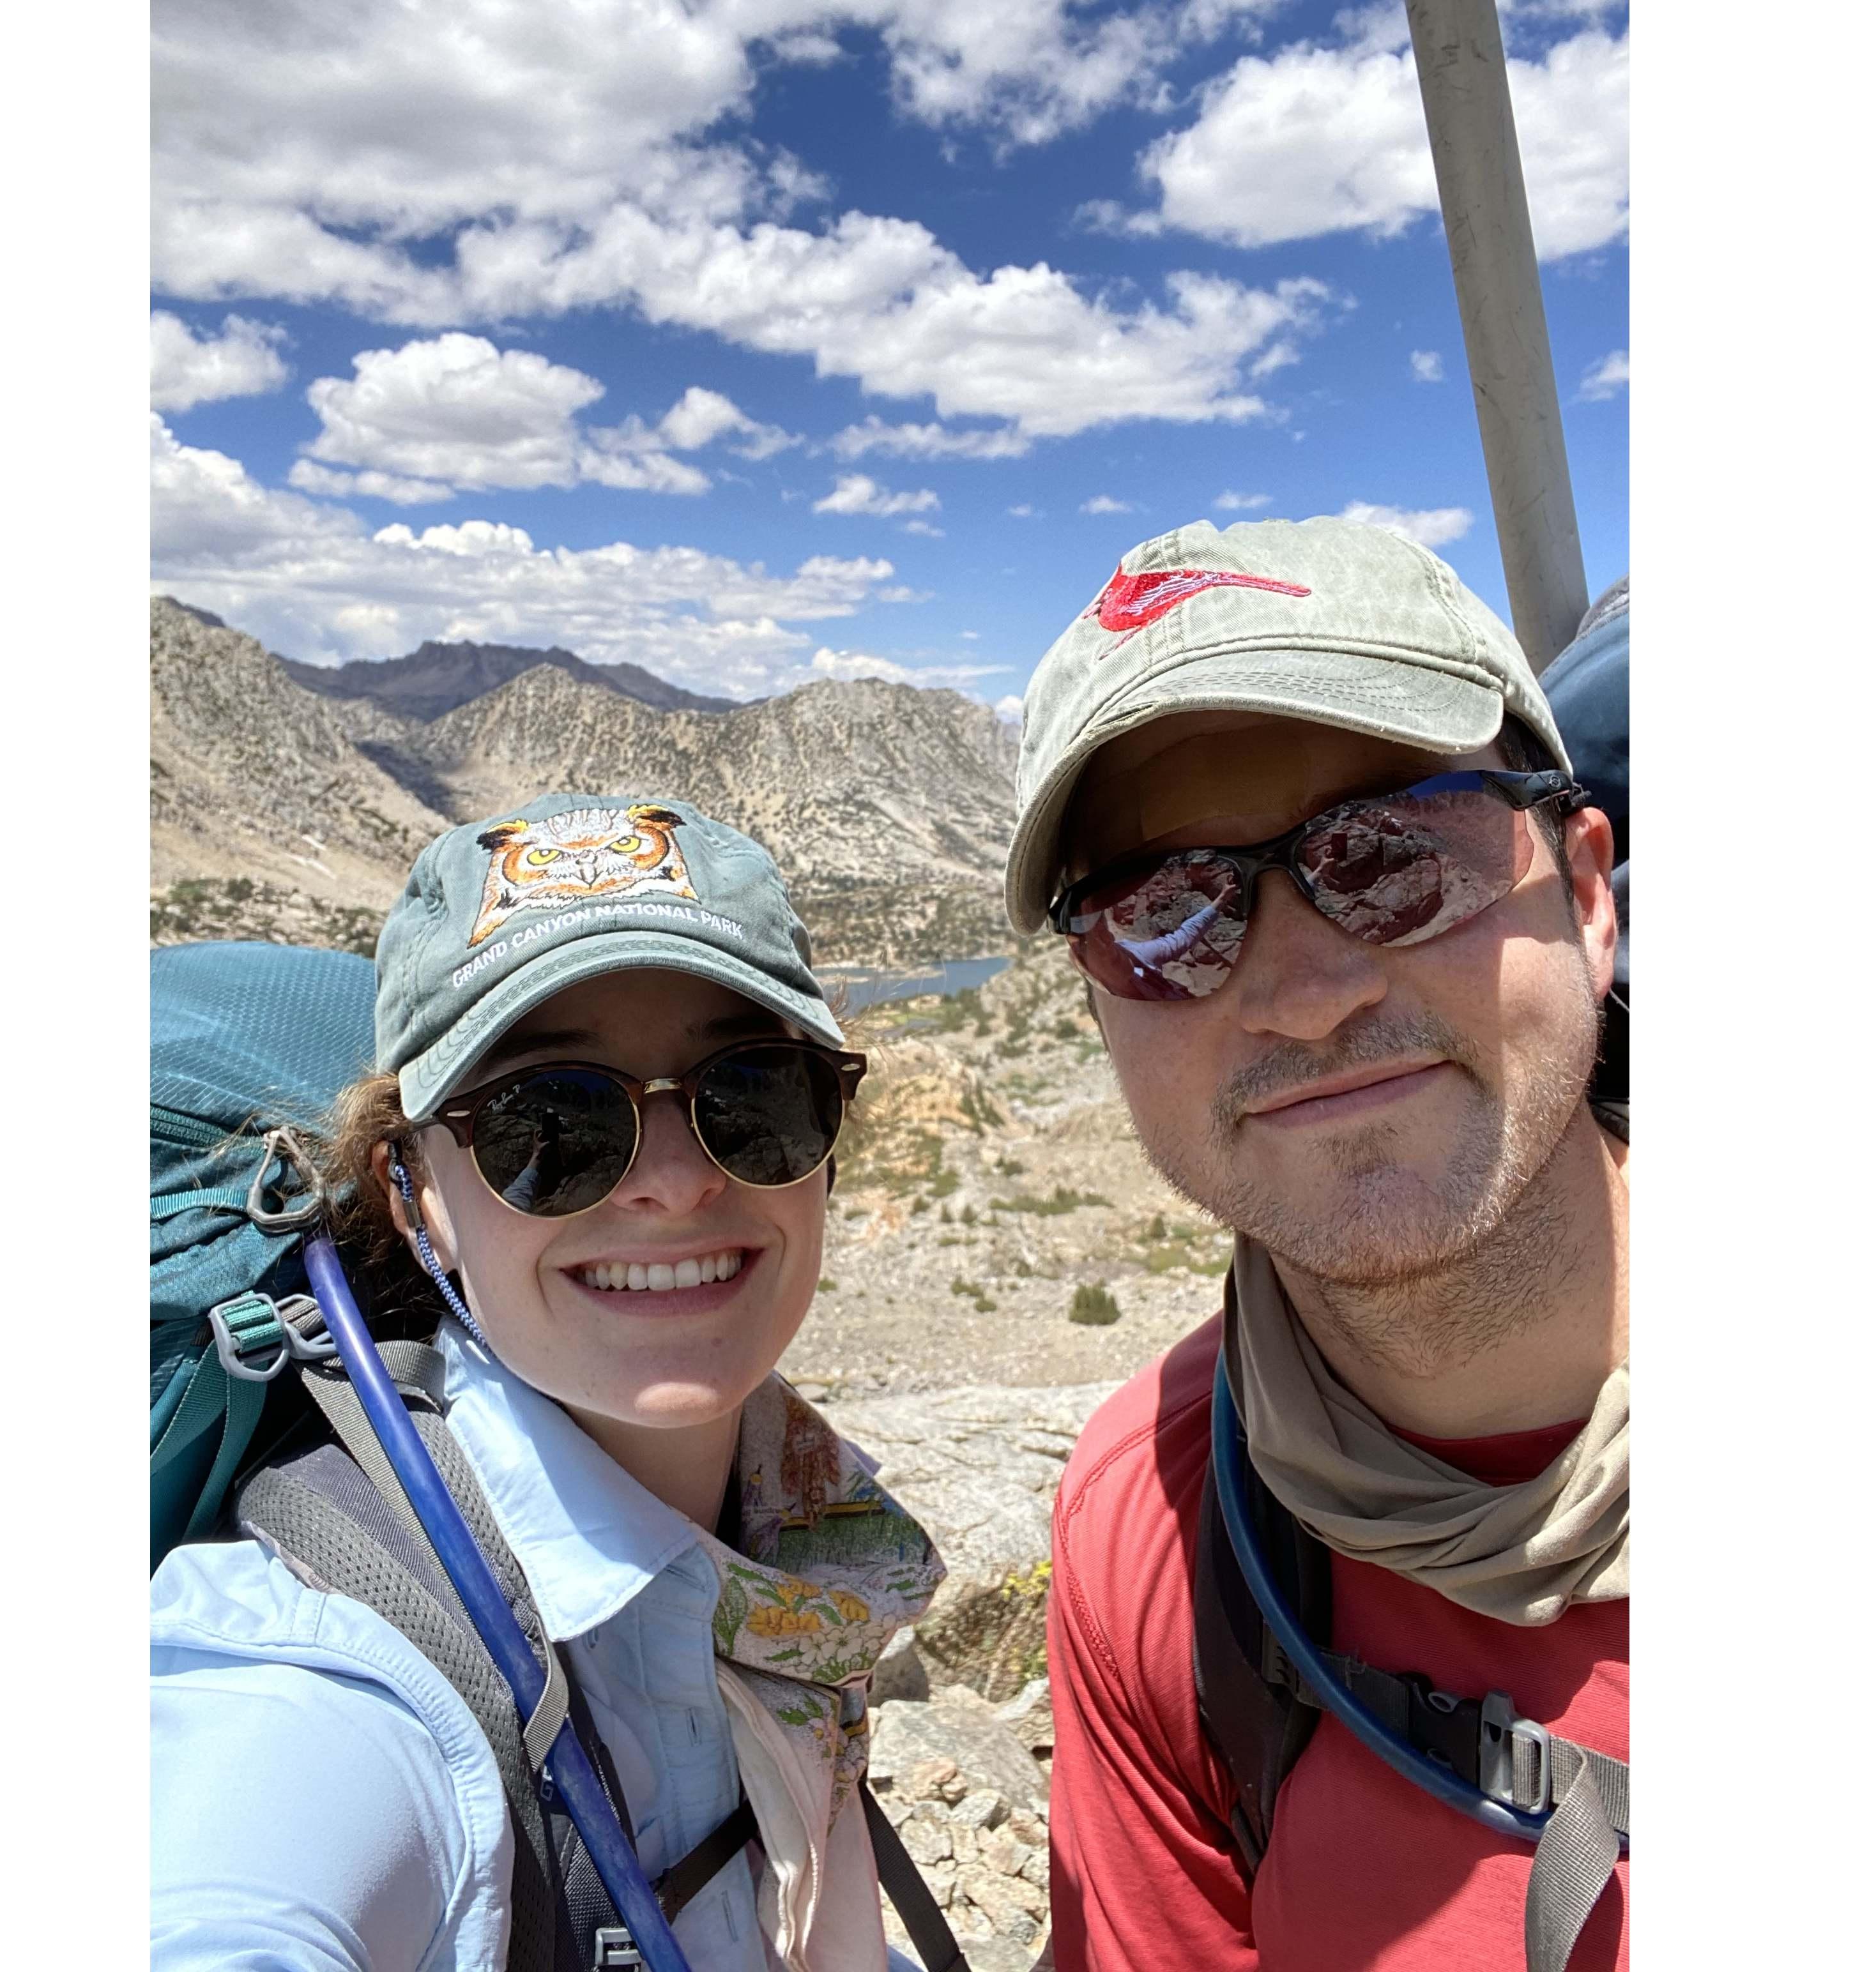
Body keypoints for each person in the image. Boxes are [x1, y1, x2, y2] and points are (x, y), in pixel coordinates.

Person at [151, 793, 946, 1972]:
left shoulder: (799, 1532)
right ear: (414, 1192)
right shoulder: (331, 1680)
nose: (675, 1182)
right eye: (550, 1124)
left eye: (753, 1095)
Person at [1004, 519, 1627, 1970]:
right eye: (1164, 914)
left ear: (1587, 895)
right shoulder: (1156, 1529)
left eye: (1397, 852)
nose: (1301, 992)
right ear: (1100, 1008)